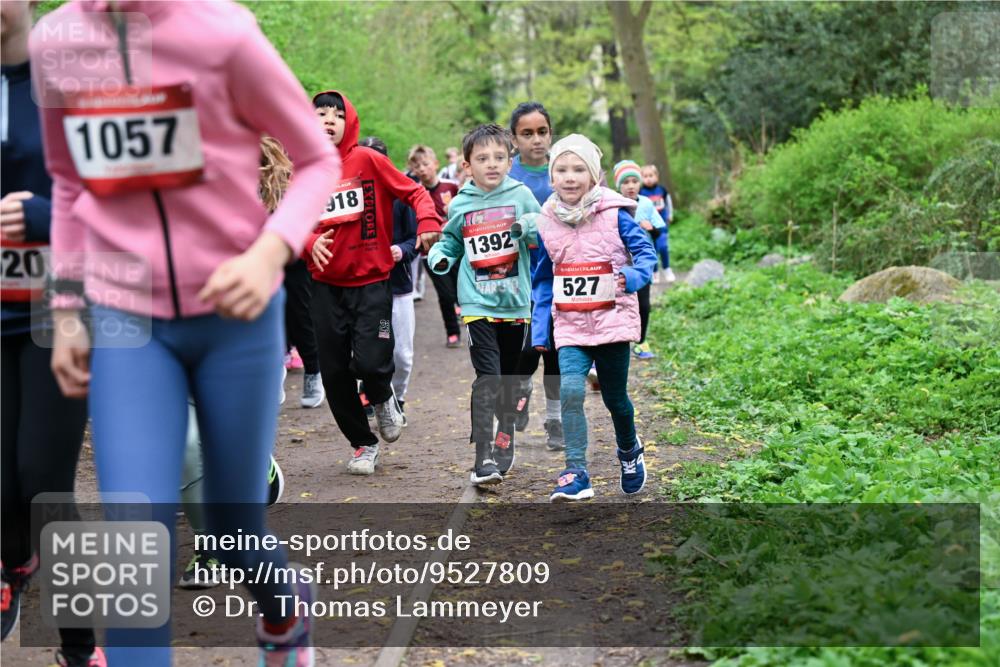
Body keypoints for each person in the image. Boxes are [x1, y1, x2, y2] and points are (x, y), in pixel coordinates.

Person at [32, 1, 341, 664]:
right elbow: (65, 183)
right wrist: (63, 312)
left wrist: (269, 252)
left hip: (235, 314)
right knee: (135, 542)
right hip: (126, 320)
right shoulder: (54, 40)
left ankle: (285, 610)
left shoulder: (222, 31)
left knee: (232, 528)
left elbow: (317, 160)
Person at [0, 2, 104, 665]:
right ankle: (13, 566)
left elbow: (131, 191)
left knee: (43, 478)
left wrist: (47, 214)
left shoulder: (73, 74)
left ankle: (78, 641)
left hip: (58, 309)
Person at [307, 90, 441, 476]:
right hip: (324, 286)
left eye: (337, 114)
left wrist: (428, 222)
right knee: (334, 373)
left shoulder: (367, 159)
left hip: (372, 281)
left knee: (370, 358)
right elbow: (288, 221)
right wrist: (310, 241)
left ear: (350, 121)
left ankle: (383, 396)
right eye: (321, 114)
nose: (329, 120)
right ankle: (362, 444)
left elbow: (414, 191)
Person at [530, 135, 657, 502]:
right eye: (562, 170)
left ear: (595, 176)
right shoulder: (546, 222)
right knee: (570, 391)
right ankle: (576, 472)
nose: (570, 177)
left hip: (613, 321)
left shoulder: (616, 214)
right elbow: (542, 279)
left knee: (615, 399)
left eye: (579, 169)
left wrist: (631, 277)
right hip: (570, 325)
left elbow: (645, 254)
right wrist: (541, 330)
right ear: (551, 177)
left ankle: (629, 451)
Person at [427, 124, 541, 486]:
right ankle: (483, 458)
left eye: (499, 157)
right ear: (466, 165)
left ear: (510, 160)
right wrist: (441, 256)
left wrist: (526, 226)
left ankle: (506, 430)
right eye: (482, 158)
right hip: (477, 302)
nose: (491, 164)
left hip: (515, 303)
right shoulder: (461, 203)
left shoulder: (521, 195)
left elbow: (543, 228)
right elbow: (451, 241)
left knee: (508, 380)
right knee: (487, 379)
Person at [507, 101, 564, 449]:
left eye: (542, 132)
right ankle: (521, 389)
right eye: (527, 134)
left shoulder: (563, 171)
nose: (536, 140)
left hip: (558, 278)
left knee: (556, 352)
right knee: (525, 351)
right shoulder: (506, 176)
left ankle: (555, 419)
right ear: (514, 139)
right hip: (517, 279)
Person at [260, 137, 325, 408]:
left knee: (300, 318)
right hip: (260, 260)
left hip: (294, 259)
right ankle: (274, 375)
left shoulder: (290, 180)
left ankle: (313, 371)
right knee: (264, 319)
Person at [360, 136, 419, 419]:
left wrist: (402, 250)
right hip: (371, 293)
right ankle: (379, 398)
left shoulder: (401, 197)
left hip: (399, 290)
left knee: (403, 356)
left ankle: (399, 397)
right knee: (379, 347)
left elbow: (416, 238)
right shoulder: (353, 197)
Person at [408, 145, 461, 347]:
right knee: (445, 294)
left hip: (455, 249)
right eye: (417, 166)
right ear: (412, 169)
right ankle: (452, 332)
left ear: (435, 164)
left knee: (460, 289)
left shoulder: (451, 186)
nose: (422, 169)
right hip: (429, 253)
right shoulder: (414, 192)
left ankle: (469, 320)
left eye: (426, 164)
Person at [614, 160, 664, 360]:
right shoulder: (614, 205)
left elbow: (660, 231)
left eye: (635, 181)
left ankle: (641, 342)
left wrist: (651, 228)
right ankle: (613, 344)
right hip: (620, 265)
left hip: (642, 265)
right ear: (619, 186)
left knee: (643, 305)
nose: (631, 186)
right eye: (626, 182)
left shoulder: (646, 203)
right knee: (617, 305)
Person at [639, 164, 676, 283]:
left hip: (662, 225)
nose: (648, 178)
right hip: (648, 228)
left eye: (651, 175)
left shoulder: (662, 190)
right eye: (645, 176)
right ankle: (655, 272)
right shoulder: (641, 192)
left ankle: (667, 268)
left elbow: (668, 202)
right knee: (652, 249)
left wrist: (670, 215)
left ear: (657, 176)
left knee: (663, 247)